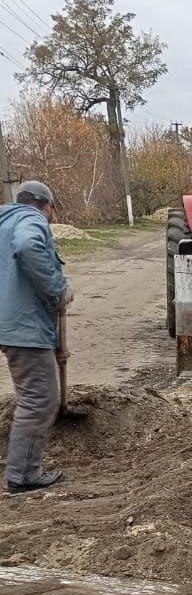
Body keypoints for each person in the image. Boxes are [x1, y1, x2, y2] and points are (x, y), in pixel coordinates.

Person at [0, 180, 73, 494]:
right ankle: (23, 476)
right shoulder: (32, 219)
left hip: (9, 321)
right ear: (47, 205)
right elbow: (29, 247)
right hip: (23, 327)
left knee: (35, 397)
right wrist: (57, 291)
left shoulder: (4, 220)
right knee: (40, 400)